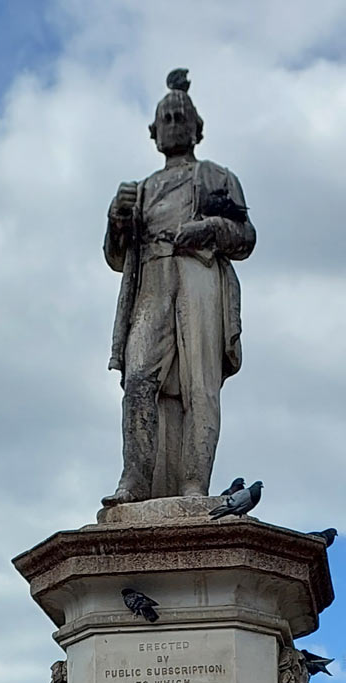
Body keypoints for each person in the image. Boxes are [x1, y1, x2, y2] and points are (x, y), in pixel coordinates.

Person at [101, 70, 256, 505]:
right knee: (138, 380)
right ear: (153, 132)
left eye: (179, 115)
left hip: (198, 275)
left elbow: (245, 237)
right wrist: (117, 221)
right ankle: (135, 478)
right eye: (165, 117)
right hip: (151, 279)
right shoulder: (143, 189)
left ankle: (194, 482)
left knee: (199, 385)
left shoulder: (217, 176)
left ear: (196, 127)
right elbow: (117, 258)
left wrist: (208, 228)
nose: (172, 122)